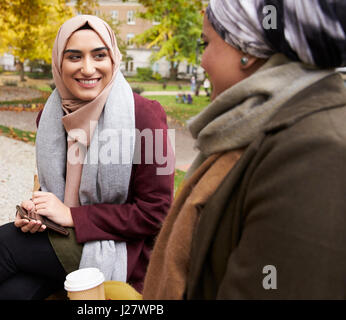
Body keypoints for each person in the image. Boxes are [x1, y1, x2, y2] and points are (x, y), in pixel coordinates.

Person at [0, 15, 174, 300]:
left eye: (99, 55)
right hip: (65, 238)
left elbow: (157, 213)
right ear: (59, 62)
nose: (87, 68)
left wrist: (72, 216)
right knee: (13, 293)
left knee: (4, 241)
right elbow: (57, 193)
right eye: (74, 57)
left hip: (122, 249)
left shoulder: (145, 116)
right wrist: (35, 212)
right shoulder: (51, 115)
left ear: (113, 59)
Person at [143, 0, 346, 299]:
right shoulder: (262, 125)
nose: (202, 61)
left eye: (206, 43)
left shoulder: (316, 150)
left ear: (248, 50)